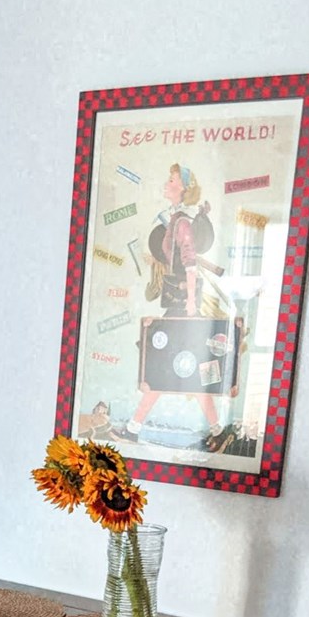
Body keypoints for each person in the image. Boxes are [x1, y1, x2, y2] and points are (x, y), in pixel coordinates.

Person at [119, 163, 223, 445]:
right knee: (170, 368)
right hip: (178, 304)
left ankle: (134, 429)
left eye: (172, 180)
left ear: (184, 189)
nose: (167, 183)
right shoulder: (175, 219)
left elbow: (189, 264)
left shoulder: (183, 222)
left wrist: (190, 304)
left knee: (163, 366)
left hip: (182, 305)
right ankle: (216, 430)